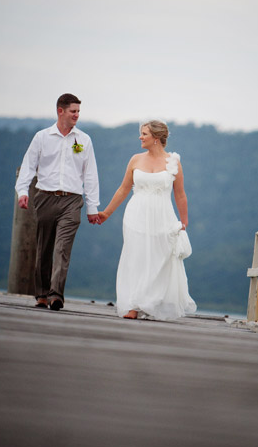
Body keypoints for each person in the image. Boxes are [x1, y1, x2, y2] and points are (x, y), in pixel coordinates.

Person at [98, 119, 196, 320]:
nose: (140, 137)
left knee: (159, 259)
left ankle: (152, 302)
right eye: (141, 133)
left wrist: (183, 222)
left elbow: (180, 194)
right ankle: (134, 306)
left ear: (157, 138)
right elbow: (123, 189)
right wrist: (106, 213)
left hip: (163, 216)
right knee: (137, 257)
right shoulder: (135, 159)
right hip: (136, 215)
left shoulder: (173, 162)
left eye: (144, 134)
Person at [15, 93, 100, 310]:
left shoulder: (84, 140)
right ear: (60, 111)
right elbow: (28, 166)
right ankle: (41, 294)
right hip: (45, 197)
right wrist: (22, 191)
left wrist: (92, 207)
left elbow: (90, 175)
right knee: (44, 248)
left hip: (72, 200)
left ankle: (56, 295)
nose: (77, 116)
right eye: (73, 111)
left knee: (62, 248)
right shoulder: (42, 137)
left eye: (79, 111)